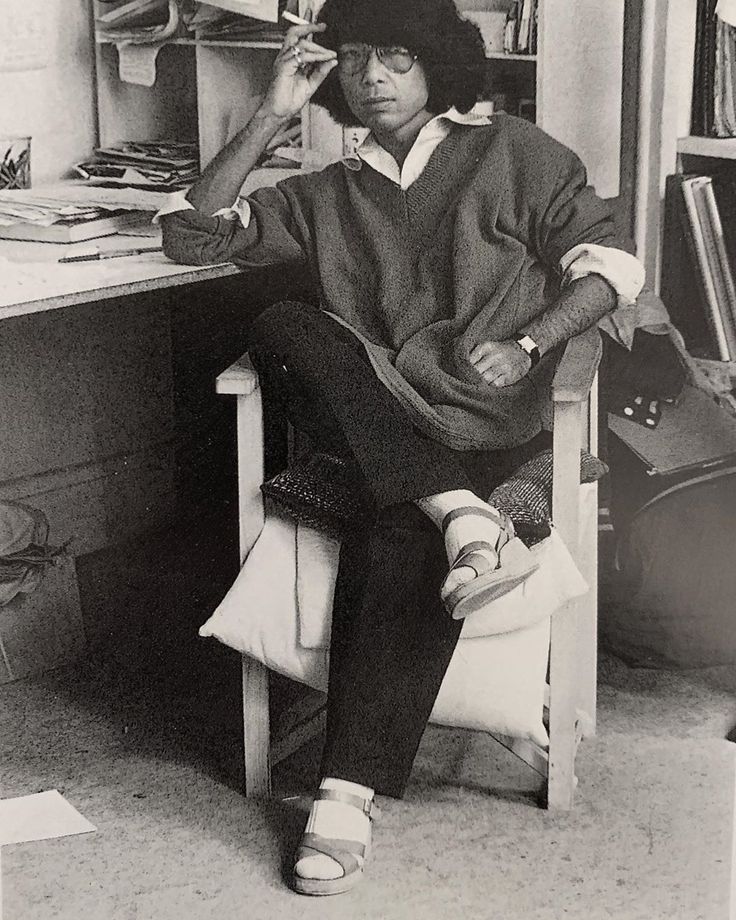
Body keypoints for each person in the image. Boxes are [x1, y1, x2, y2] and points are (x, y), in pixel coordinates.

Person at [158, 0, 645, 896]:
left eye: (396, 59)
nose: (372, 77)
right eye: (355, 62)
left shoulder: (518, 155)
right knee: (281, 322)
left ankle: (343, 795)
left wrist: (532, 342)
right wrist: (269, 114)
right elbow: (190, 235)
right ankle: (460, 519)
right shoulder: (327, 189)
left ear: (438, 68)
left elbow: (612, 268)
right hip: (387, 428)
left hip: (488, 429)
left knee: (395, 526)